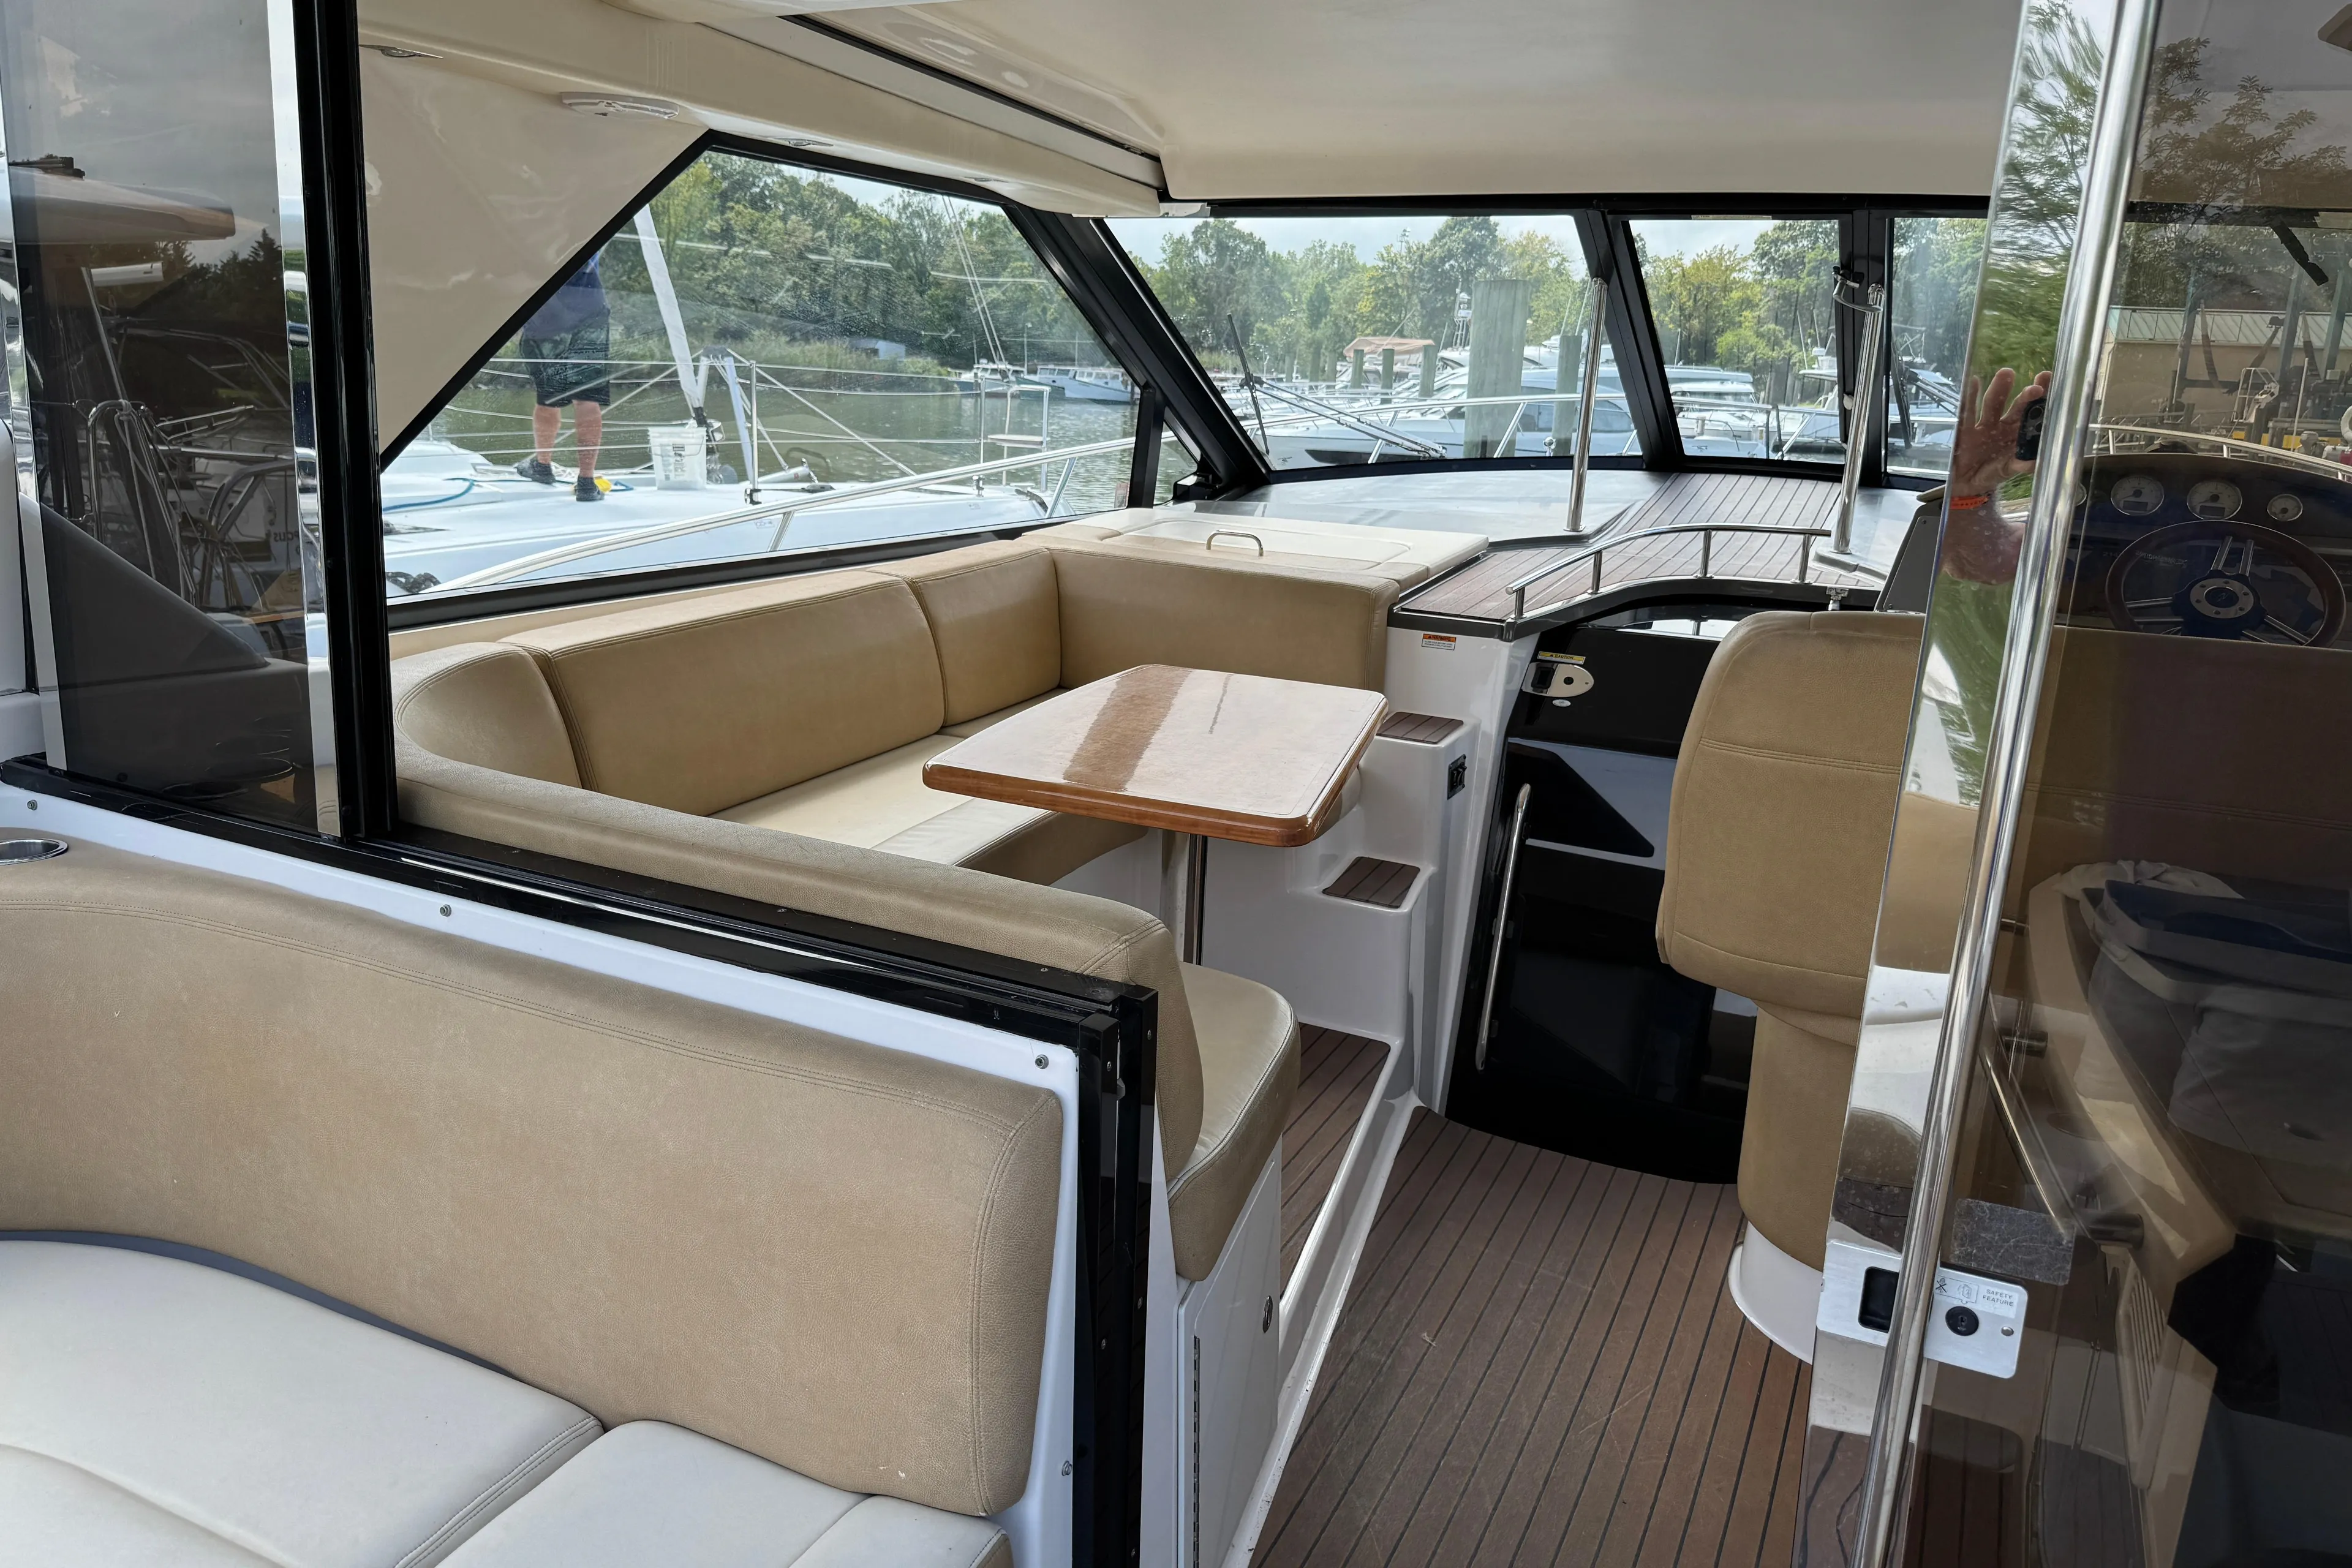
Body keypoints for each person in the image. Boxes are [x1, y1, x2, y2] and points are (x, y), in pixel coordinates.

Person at [516, 254, 611, 502]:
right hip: (590, 306)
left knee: (549, 396)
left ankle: (543, 466)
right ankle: (587, 483)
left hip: (548, 311)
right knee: (587, 399)